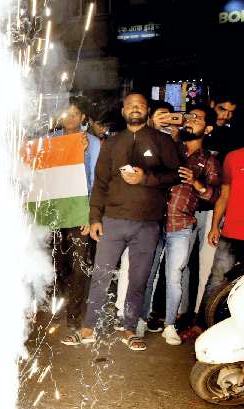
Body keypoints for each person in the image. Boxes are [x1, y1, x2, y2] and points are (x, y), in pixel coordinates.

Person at [62, 92, 180, 351]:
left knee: (138, 278)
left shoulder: (162, 141)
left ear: (147, 111)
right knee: (101, 275)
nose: (135, 109)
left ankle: (129, 328)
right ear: (124, 111)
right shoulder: (113, 143)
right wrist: (95, 217)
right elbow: (101, 182)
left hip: (147, 224)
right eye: (130, 106)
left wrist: (145, 178)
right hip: (112, 221)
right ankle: (88, 326)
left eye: (140, 105)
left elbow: (174, 175)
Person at [136, 106, 221, 344]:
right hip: (154, 219)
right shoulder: (169, 146)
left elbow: (213, 196)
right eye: (189, 116)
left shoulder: (210, 161)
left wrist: (197, 184)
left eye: (198, 119)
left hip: (182, 224)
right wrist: (168, 133)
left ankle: (170, 325)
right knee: (149, 272)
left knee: (174, 275)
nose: (191, 121)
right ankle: (141, 320)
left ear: (209, 128)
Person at [182, 110, 244, 339]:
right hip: (232, 232)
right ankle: (202, 326)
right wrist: (215, 225)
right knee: (217, 281)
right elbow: (225, 194)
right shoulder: (233, 158)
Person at [49, 96, 101, 328]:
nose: (69, 118)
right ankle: (58, 301)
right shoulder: (49, 140)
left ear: (83, 118)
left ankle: (73, 316)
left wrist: (90, 215)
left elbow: (95, 179)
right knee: (57, 263)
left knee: (79, 264)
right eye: (66, 114)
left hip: (80, 210)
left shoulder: (92, 142)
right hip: (54, 211)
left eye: (74, 114)